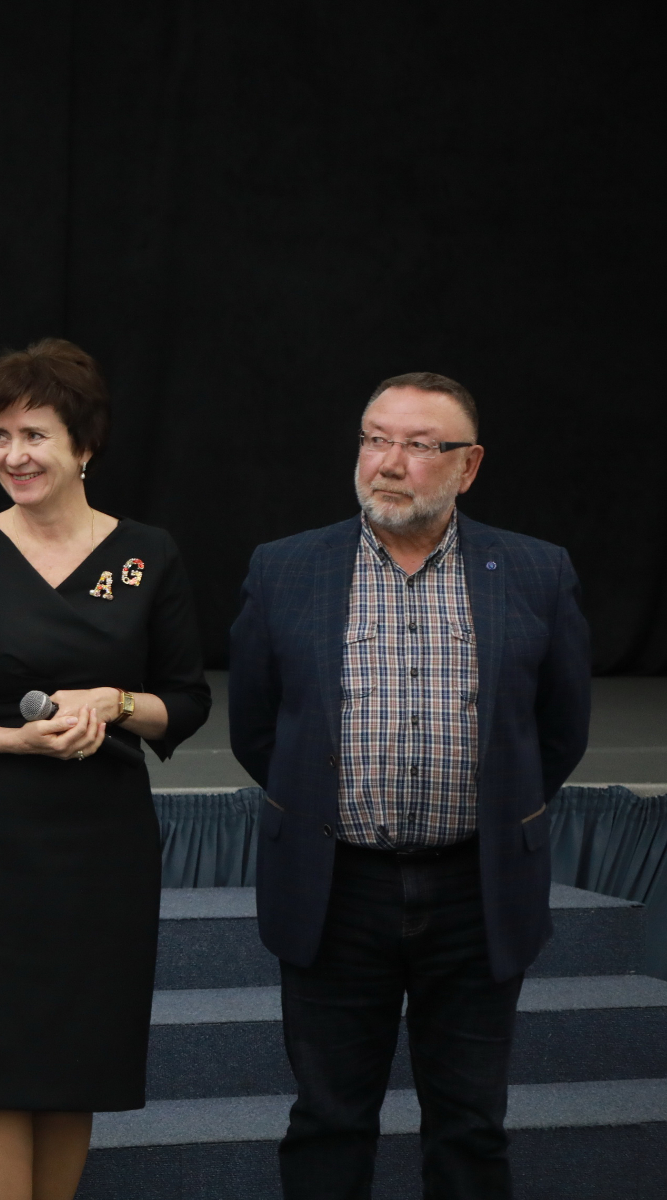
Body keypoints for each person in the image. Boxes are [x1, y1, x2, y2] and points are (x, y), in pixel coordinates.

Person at [228, 372, 591, 1198]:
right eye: (374, 439)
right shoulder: (285, 568)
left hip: (477, 890)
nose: (388, 463)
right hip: (334, 887)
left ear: (469, 465)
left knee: (471, 1127)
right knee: (327, 1121)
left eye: (419, 445)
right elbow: (259, 729)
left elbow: (558, 731)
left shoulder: (536, 570)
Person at [0, 338, 211, 1200]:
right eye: (0, 436)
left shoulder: (148, 555)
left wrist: (116, 702)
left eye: (34, 435)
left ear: (85, 445)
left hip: (101, 847)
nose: (13, 455)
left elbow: (186, 702)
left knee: (76, 1059)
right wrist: (13, 741)